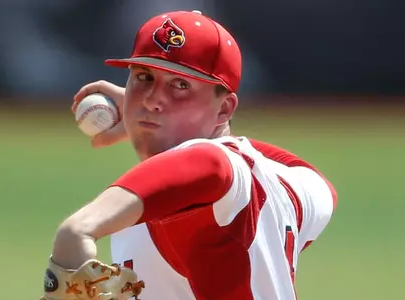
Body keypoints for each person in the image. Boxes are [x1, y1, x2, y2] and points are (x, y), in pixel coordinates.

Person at [41, 10, 337, 300]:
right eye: (144, 78)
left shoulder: (210, 166)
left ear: (224, 109)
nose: (153, 99)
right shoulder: (290, 187)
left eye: (180, 85)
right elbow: (317, 181)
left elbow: (75, 232)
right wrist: (150, 124)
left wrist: (76, 233)